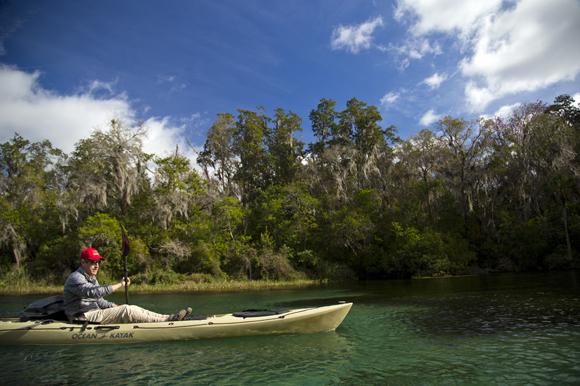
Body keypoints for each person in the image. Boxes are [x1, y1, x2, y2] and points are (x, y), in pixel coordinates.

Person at [63, 247, 191, 324]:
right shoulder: (76, 278)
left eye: (98, 262)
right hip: (81, 316)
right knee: (127, 311)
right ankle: (165, 322)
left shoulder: (91, 277)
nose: (96, 265)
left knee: (130, 307)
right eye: (92, 262)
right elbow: (93, 293)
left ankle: (170, 317)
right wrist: (120, 284)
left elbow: (99, 301)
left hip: (93, 312)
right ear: (83, 262)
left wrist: (114, 306)